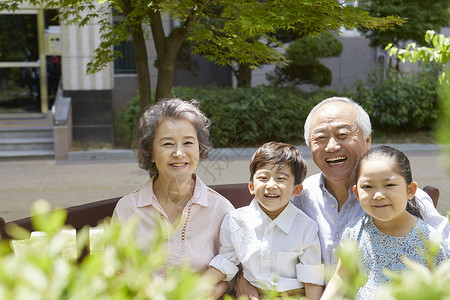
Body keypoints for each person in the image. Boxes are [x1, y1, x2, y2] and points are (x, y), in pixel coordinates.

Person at [236, 97, 450, 299]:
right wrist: (243, 276)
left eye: (342, 134)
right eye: (320, 138)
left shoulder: (408, 200)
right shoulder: (296, 194)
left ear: (367, 140)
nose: (331, 146)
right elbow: (251, 233)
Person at [112, 98, 234, 294]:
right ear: (150, 153)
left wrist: (216, 290)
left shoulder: (221, 209)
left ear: (199, 149)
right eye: (168, 144)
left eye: (188, 143)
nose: (179, 153)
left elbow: (235, 269)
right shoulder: (128, 209)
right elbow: (116, 273)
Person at [321, 145, 449, 300]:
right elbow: (341, 277)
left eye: (389, 185)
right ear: (357, 193)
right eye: (368, 186)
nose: (378, 195)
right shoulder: (355, 232)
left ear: (410, 190)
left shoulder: (430, 240)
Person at [205, 141, 324, 300]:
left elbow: (312, 277)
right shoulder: (235, 221)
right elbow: (226, 260)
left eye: (281, 178)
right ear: (252, 186)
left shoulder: (306, 227)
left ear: (296, 189)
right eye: (263, 177)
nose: (271, 185)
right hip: (251, 294)